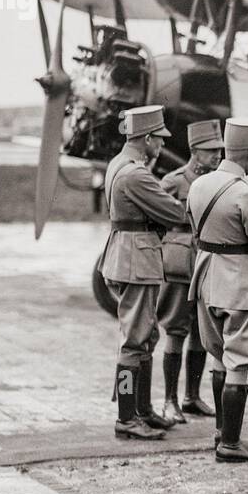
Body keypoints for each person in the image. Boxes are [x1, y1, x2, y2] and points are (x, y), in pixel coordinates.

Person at [187, 118, 248, 463]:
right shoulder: (247, 194)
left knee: (218, 355)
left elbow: (196, 230)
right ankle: (232, 443)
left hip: (206, 275)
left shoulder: (199, 185)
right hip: (239, 282)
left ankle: (222, 432)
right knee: (239, 359)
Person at [101, 105, 188, 441]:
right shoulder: (136, 174)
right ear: (147, 138)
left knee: (145, 337)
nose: (162, 146)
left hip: (127, 254)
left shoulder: (119, 164)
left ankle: (142, 409)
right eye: (159, 139)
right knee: (134, 342)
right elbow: (174, 211)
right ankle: (127, 416)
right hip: (136, 260)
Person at [157, 120, 224, 424]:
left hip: (207, 264)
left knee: (202, 332)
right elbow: (154, 217)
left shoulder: (216, 182)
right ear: (195, 151)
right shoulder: (172, 182)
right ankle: (170, 400)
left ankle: (192, 396)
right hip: (179, 265)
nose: (217, 156)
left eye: (219, 150)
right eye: (211, 150)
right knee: (175, 330)